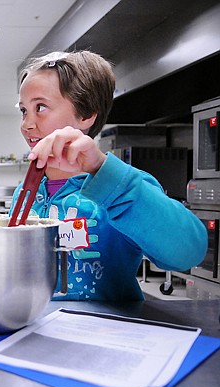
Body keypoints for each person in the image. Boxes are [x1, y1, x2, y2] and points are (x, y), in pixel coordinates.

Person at [10, 50, 207, 301]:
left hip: (103, 333)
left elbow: (188, 252)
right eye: (24, 111)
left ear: (86, 115)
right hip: (30, 329)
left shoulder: (120, 187)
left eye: (40, 107)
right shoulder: (27, 193)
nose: (26, 124)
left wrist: (103, 172)